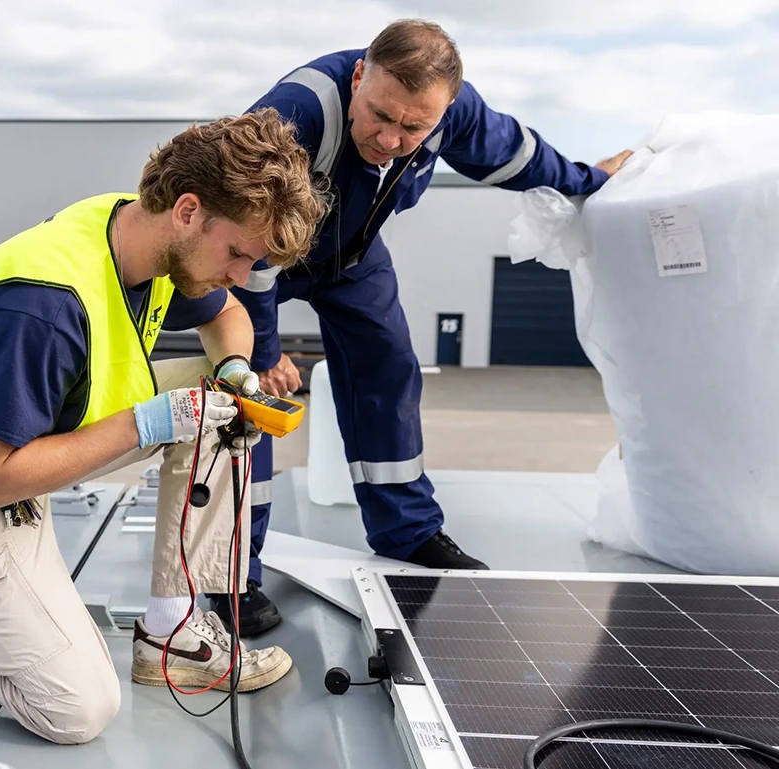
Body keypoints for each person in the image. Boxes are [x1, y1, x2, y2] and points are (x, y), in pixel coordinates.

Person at [0, 110, 328, 745]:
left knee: (224, 404)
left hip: (32, 441)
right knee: (76, 709)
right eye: (237, 253)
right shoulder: (42, 304)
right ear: (188, 211)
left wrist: (235, 371)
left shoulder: (139, 232)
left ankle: (173, 628)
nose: (240, 275)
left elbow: (230, 317)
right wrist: (148, 423)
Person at [207, 19, 635, 637]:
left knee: (389, 365)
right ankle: (229, 574)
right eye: (380, 115)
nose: (390, 139)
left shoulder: (452, 113)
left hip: (349, 253)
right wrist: (265, 349)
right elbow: (247, 247)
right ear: (360, 76)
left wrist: (590, 180)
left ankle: (406, 532)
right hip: (251, 257)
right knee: (248, 398)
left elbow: (520, 157)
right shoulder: (295, 115)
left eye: (414, 128)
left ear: (445, 110)